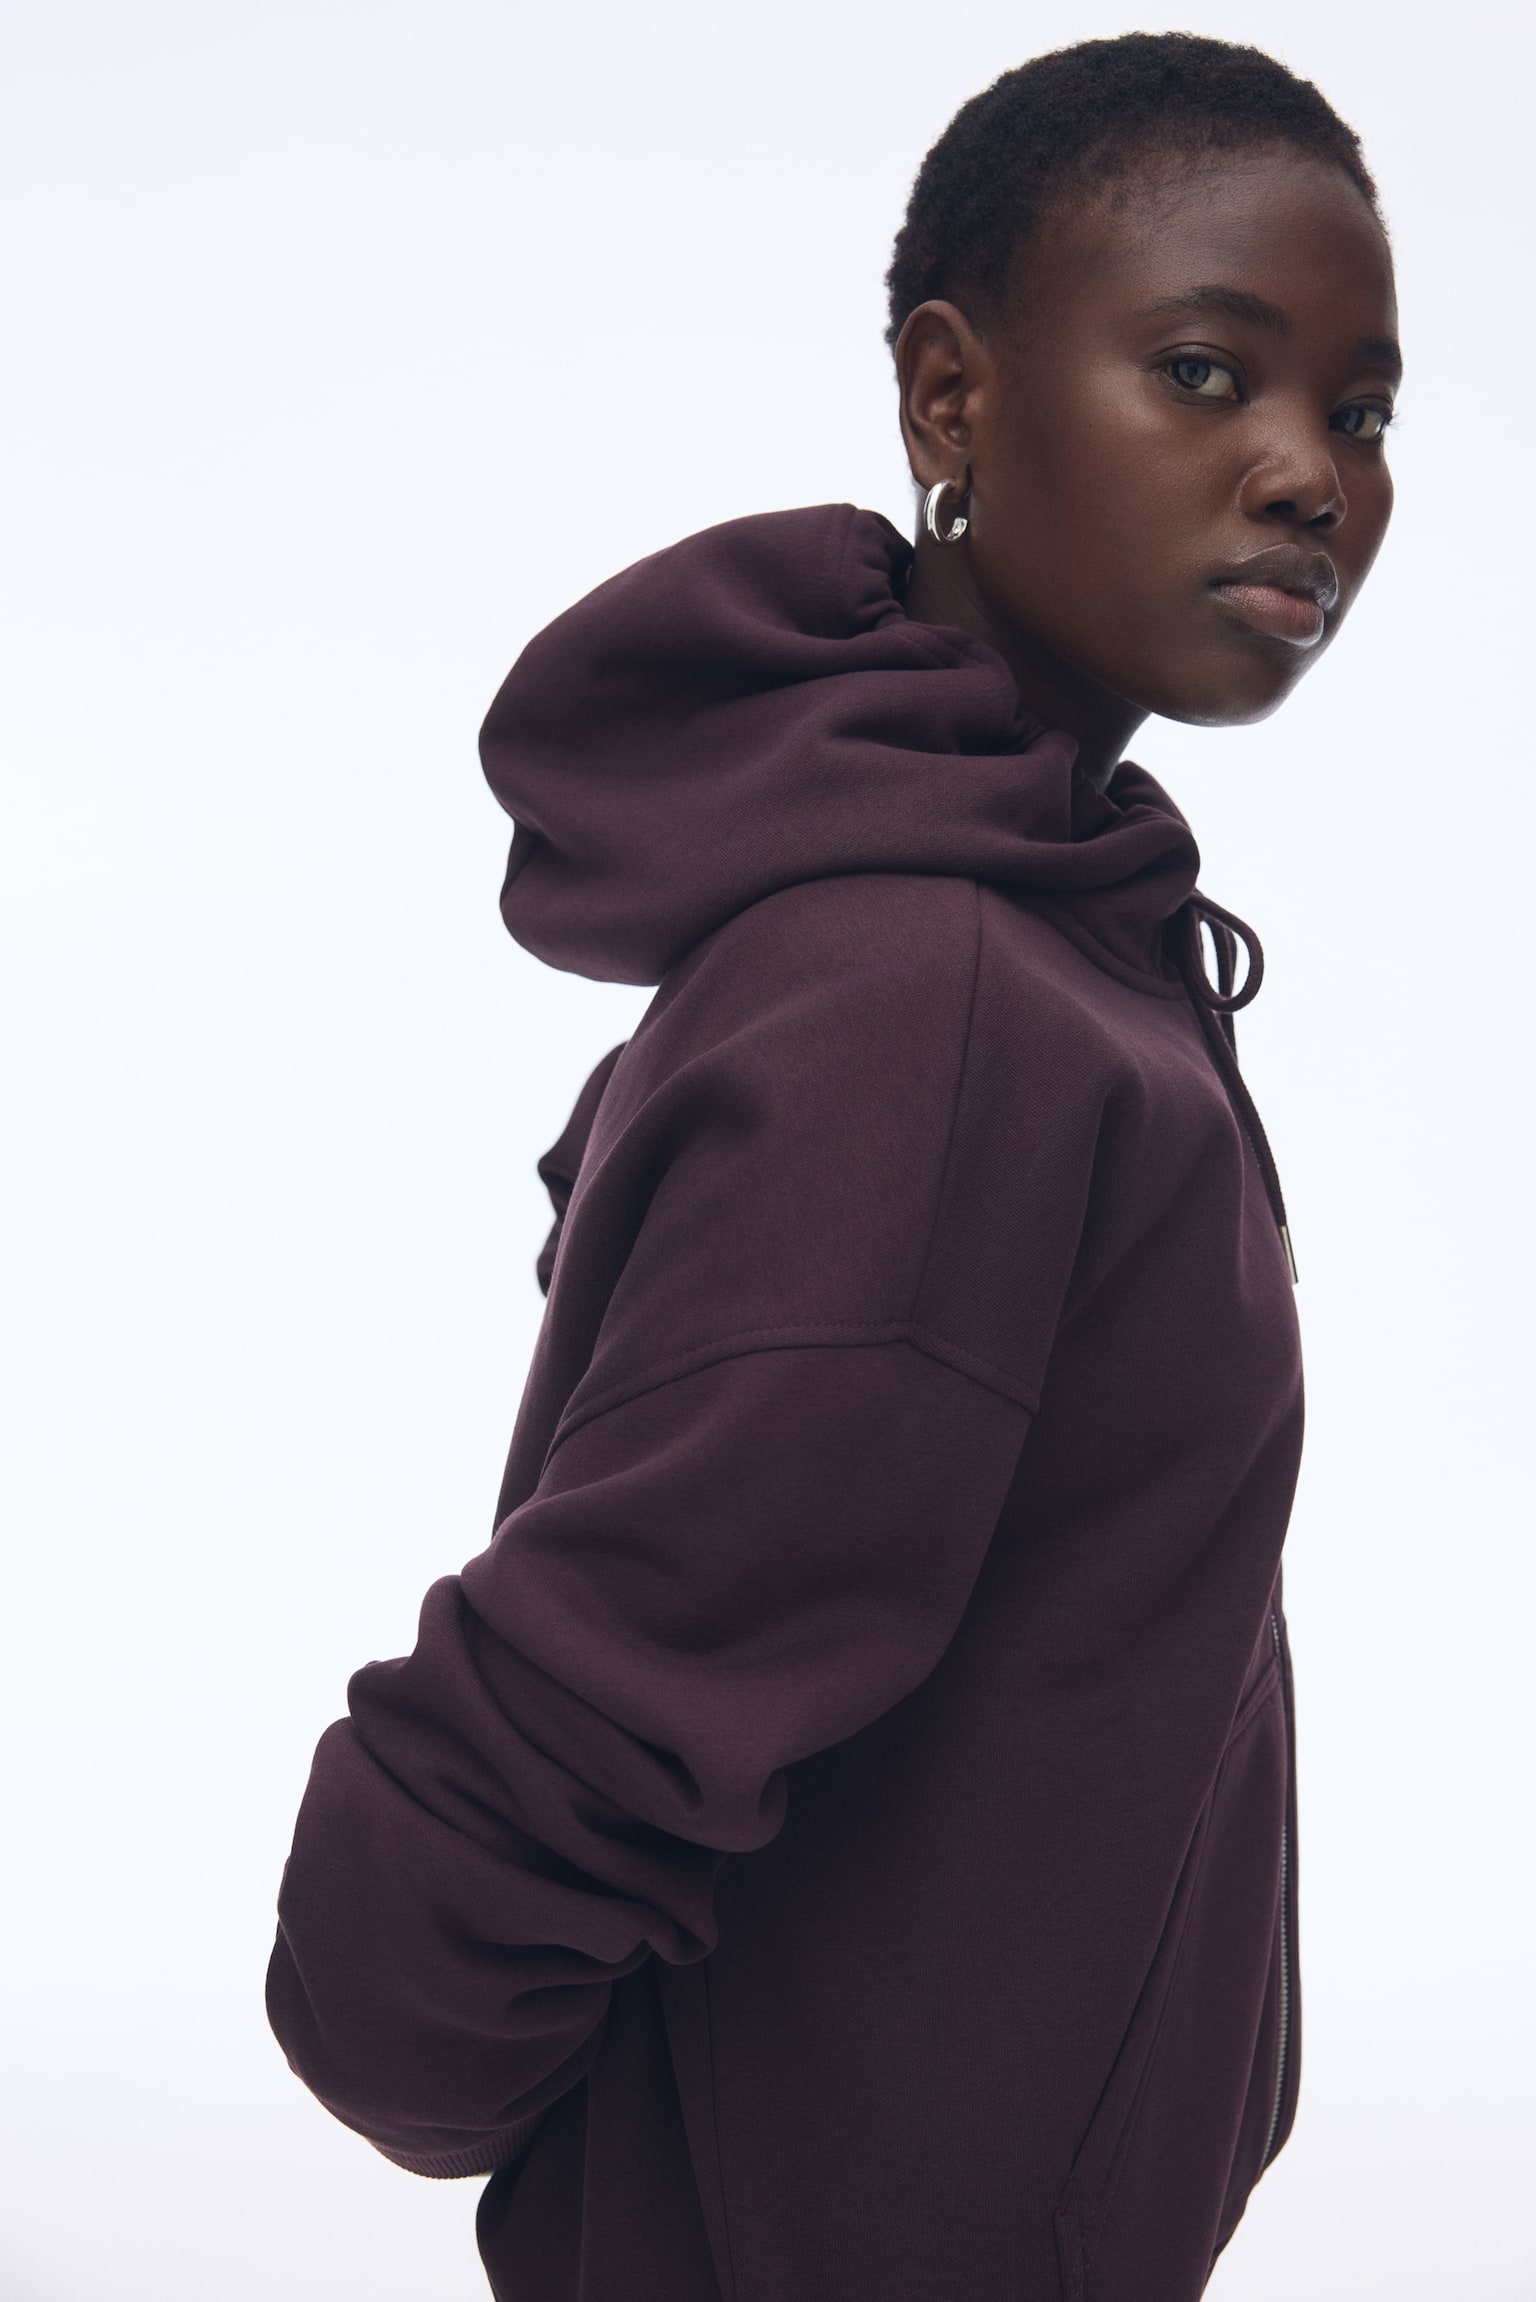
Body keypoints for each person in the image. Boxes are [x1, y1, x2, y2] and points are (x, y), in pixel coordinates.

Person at [266, 31, 1400, 2301]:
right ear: (950, 397)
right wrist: (523, 2101)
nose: (1309, 477)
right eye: (1206, 371)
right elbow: (602, 1691)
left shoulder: (1046, 936)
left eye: (1364, 412)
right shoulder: (935, 991)